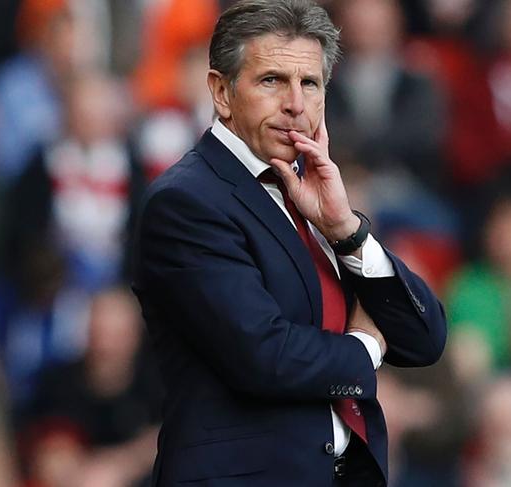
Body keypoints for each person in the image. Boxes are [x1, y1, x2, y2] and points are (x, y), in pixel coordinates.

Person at [131, 1, 447, 486]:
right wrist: (365, 349)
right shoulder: (186, 202)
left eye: (310, 84)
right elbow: (264, 356)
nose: (295, 104)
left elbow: (423, 337)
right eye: (272, 80)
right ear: (221, 91)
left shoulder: (314, 193)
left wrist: (347, 230)